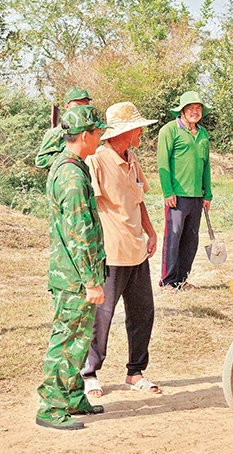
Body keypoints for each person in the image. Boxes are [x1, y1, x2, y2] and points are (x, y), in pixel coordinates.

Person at [35, 105, 110, 431]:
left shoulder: (71, 166)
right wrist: (92, 281)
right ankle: (51, 406)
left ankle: (73, 396)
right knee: (67, 340)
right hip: (74, 277)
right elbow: (78, 234)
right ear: (84, 136)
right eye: (98, 133)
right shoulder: (70, 175)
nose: (100, 138)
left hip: (74, 275)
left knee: (80, 338)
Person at [80, 102, 161, 398]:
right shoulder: (97, 162)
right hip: (111, 253)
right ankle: (89, 373)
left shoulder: (133, 158)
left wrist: (150, 232)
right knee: (102, 317)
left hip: (137, 250)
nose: (140, 132)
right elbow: (92, 208)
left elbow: (138, 200)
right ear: (123, 132)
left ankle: (135, 371)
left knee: (143, 314)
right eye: (137, 127)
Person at [157, 91, 212, 290]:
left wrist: (207, 194)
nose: (195, 112)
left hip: (197, 196)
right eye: (190, 108)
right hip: (177, 196)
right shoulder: (169, 130)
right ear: (182, 110)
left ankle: (181, 280)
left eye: (198, 108)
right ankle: (168, 281)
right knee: (173, 237)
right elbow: (163, 163)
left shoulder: (203, 133)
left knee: (191, 239)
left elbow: (206, 166)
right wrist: (167, 191)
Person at [35, 86, 93, 169]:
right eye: (78, 105)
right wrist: (67, 156)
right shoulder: (56, 133)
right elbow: (40, 161)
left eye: (86, 105)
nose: (82, 109)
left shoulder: (91, 130)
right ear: (67, 107)